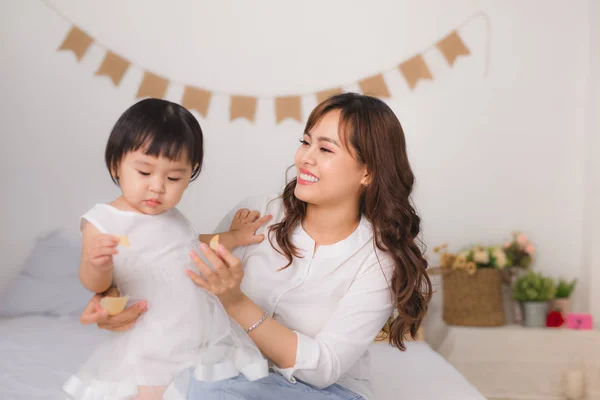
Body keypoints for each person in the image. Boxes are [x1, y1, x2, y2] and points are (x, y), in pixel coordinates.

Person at [82, 93, 433, 400]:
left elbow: (324, 368)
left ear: (367, 172)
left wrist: (235, 301)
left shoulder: (377, 258)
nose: (304, 158)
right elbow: (180, 274)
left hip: (323, 393)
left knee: (197, 388)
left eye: (325, 149)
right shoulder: (258, 215)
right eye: (305, 142)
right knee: (173, 381)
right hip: (230, 378)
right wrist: (112, 297)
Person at [64, 98, 270, 400]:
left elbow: (193, 246)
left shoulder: (172, 217)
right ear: (116, 164)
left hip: (196, 331)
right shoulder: (104, 221)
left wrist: (234, 237)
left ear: (191, 175)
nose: (158, 187)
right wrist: (98, 265)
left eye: (173, 177)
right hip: (150, 336)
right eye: (145, 173)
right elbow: (95, 284)